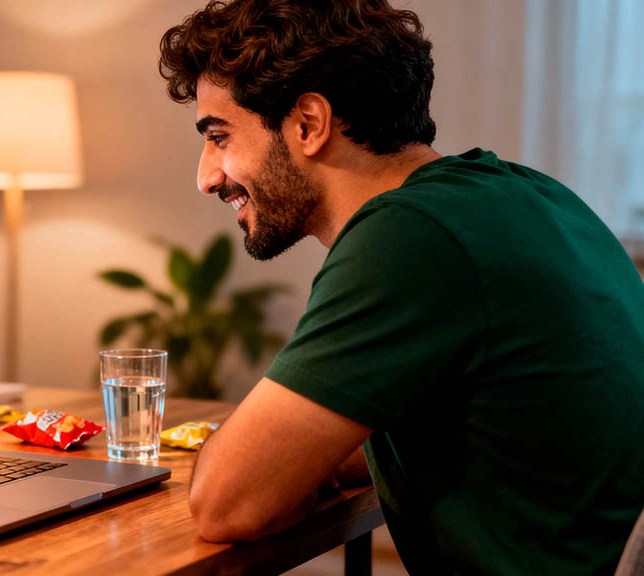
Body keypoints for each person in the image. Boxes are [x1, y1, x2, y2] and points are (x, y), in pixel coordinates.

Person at [158, 0, 644, 573]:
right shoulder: (524, 194)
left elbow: (227, 505)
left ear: (308, 123)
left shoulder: (411, 236)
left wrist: (271, 477)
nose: (205, 176)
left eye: (218, 136)